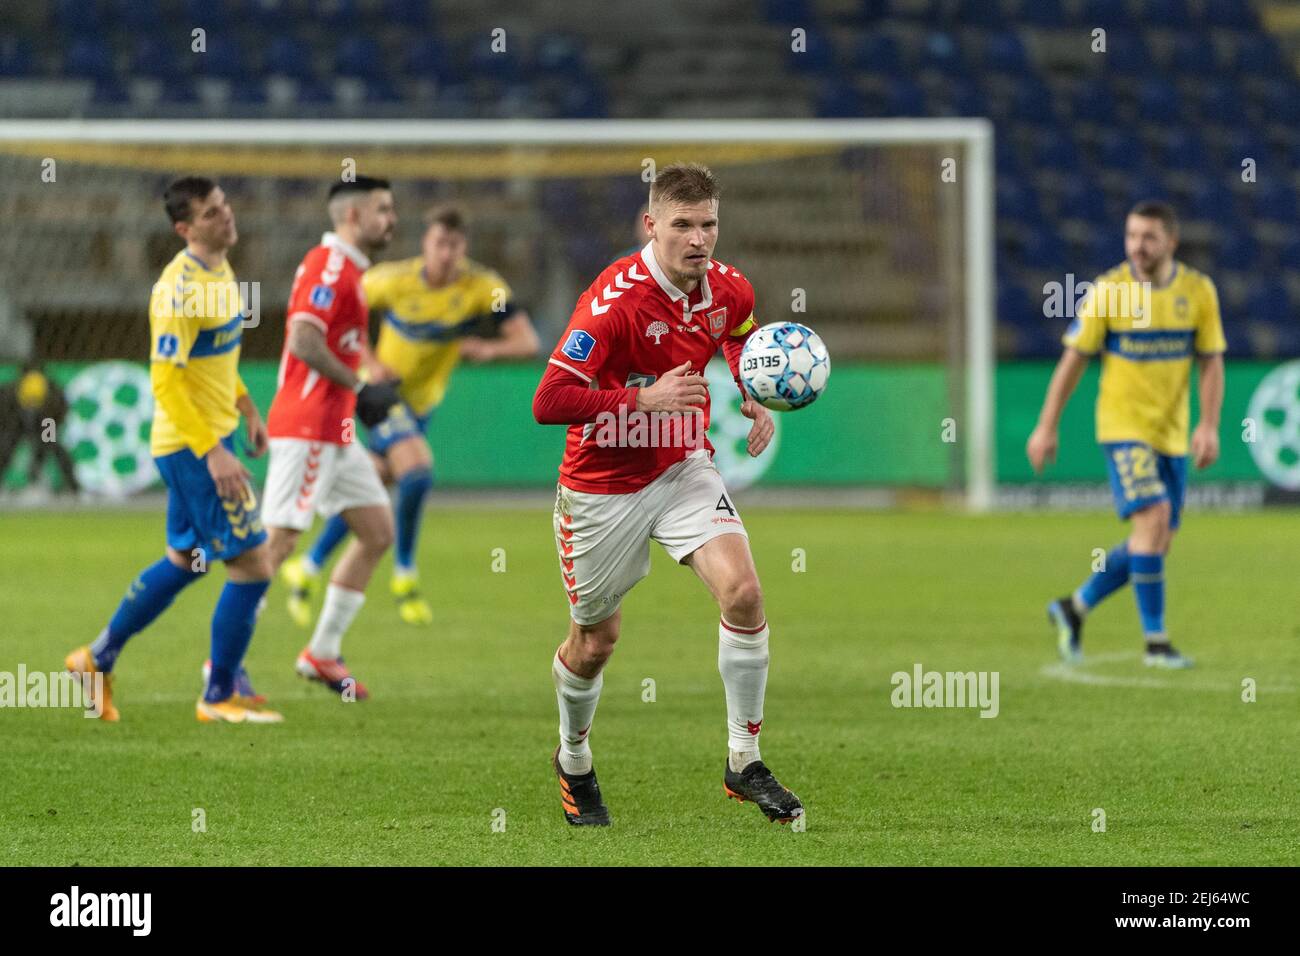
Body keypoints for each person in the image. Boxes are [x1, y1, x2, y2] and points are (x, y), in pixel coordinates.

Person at [532, 162, 803, 826]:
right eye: (682, 225)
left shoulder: (728, 289)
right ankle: (572, 758)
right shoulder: (614, 302)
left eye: (708, 224)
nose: (698, 239)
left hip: (684, 466)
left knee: (743, 592)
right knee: (596, 642)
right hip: (603, 489)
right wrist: (640, 397)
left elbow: (738, 336)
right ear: (652, 226)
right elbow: (548, 401)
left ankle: (744, 759)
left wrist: (751, 389)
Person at [66, 176, 282, 723]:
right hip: (193, 445)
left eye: (225, 205)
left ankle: (96, 658)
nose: (227, 217)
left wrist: (249, 411)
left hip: (210, 436)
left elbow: (216, 364)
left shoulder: (221, 270)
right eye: (211, 213)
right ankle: (220, 696)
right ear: (184, 228)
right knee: (253, 565)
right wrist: (214, 451)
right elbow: (166, 381)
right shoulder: (177, 289)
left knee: (187, 561)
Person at [283, 203, 539, 626]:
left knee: (375, 481)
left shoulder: (482, 288)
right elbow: (344, 315)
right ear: (426, 243)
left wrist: (488, 348)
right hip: (380, 396)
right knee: (417, 472)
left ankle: (308, 565)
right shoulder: (392, 280)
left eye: (454, 246)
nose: (446, 253)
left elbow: (527, 341)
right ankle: (404, 572)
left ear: (464, 248)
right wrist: (367, 360)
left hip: (422, 406)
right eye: (440, 243)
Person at [1028, 200, 1226, 669]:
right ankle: (1156, 644)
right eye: (1132, 235)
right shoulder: (1109, 291)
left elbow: (1211, 360)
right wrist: (1047, 424)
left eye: (1149, 237)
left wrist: (1209, 425)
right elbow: (1074, 359)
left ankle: (1073, 608)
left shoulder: (1198, 291)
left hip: (1172, 434)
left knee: (1155, 540)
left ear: (1171, 241)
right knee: (1154, 518)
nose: (1138, 245)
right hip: (1123, 427)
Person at [260, 176, 402, 700]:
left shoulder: (352, 273)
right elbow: (302, 339)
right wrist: (360, 385)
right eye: (382, 210)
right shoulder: (330, 266)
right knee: (277, 544)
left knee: (376, 530)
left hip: (335, 431)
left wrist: (367, 382)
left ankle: (321, 651)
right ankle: (223, 670)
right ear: (352, 217)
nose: (391, 219)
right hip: (310, 427)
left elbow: (338, 345)